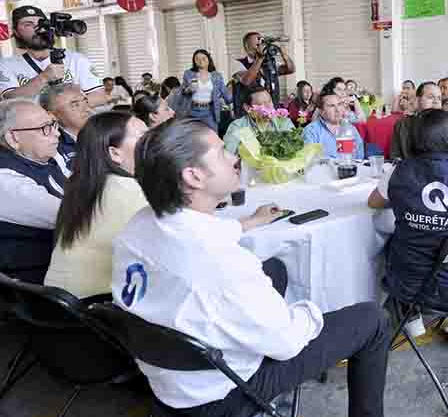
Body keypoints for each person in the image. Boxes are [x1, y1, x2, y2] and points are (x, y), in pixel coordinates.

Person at [113, 118, 389, 417]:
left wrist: (251, 223)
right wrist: (308, 311)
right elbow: (287, 343)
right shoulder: (222, 262)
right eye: (221, 153)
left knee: (275, 269)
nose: (234, 158)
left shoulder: (138, 225)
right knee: (372, 320)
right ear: (193, 176)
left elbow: (201, 237)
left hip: (169, 381)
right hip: (223, 394)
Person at [369, 109, 448, 344]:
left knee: (393, 245)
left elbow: (373, 202)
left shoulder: (398, 172)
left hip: (410, 286)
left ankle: (412, 317)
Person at [45, 112, 149, 298]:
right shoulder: (130, 190)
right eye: (144, 137)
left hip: (58, 304)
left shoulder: (83, 185)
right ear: (114, 153)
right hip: (95, 310)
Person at [0, 99, 67, 283]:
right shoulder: (5, 179)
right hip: (34, 287)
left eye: (53, 124)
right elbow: (69, 215)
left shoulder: (48, 157)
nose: (57, 133)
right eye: (45, 128)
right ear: (13, 138)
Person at [0, 5, 109, 107]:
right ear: (17, 32)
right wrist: (44, 77)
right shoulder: (7, 65)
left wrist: (66, 107)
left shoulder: (76, 59)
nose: (38, 28)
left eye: (41, 23)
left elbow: (99, 96)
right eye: (28, 24)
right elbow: (10, 100)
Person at [232, 32, 296, 116]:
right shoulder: (237, 63)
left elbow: (290, 69)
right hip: (248, 115)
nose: (261, 46)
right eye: (257, 44)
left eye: (262, 43)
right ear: (247, 48)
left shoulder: (269, 63)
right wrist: (260, 58)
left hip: (271, 113)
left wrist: (283, 53)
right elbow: (246, 81)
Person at [224, 87, 295, 155]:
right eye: (261, 104)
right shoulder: (238, 126)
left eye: (270, 101)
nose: (269, 107)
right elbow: (229, 154)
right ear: (247, 107)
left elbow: (294, 146)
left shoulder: (283, 121)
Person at [39, 83, 94, 171]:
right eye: (75, 105)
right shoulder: (52, 147)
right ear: (52, 115)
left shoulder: (106, 132)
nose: (87, 109)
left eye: (86, 102)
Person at [177, 49, 232, 133]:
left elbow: (227, 96)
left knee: (212, 139)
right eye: (197, 59)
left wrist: (238, 88)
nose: (200, 61)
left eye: (203, 58)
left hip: (209, 112)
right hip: (192, 111)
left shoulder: (216, 76)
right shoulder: (188, 74)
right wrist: (188, 89)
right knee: (193, 139)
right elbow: (181, 93)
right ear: (194, 61)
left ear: (208, 60)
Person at [303, 91, 364, 160]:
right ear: (321, 111)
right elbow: (310, 159)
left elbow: (359, 157)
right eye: (331, 106)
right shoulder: (311, 131)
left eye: (339, 104)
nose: (337, 110)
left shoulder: (351, 129)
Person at [390, 81, 442, 160]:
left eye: (439, 98)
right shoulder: (402, 125)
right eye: (431, 97)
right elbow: (395, 156)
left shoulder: (447, 125)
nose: (436, 102)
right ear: (418, 100)